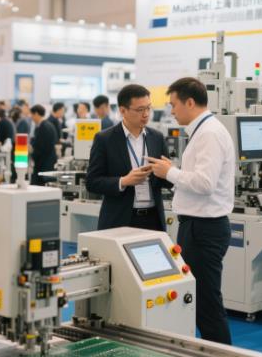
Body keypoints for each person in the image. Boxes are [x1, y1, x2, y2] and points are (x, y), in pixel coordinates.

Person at [146, 77, 234, 345]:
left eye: (174, 104)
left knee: (207, 304)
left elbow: (205, 184)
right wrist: (172, 170)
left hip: (204, 229)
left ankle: (221, 352)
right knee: (201, 300)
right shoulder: (204, 130)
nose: (171, 111)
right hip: (198, 226)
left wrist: (170, 173)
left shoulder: (209, 134)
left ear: (190, 102)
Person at [86, 84, 171, 231]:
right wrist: (124, 181)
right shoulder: (105, 139)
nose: (146, 114)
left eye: (148, 108)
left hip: (153, 220)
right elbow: (92, 182)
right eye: (140, 110)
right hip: (120, 219)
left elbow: (166, 183)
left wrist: (169, 172)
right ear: (122, 110)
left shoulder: (157, 137)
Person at [29, 104, 58, 186]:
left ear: (36, 114)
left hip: (43, 164)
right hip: (48, 162)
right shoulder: (49, 125)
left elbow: (41, 148)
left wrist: (32, 150)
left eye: (32, 115)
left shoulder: (43, 127)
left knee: (38, 187)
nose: (31, 117)